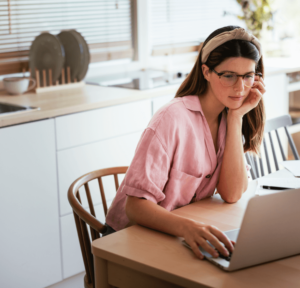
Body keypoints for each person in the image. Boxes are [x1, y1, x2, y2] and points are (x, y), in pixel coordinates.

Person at [104, 25, 266, 260]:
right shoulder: (172, 118)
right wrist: (188, 227)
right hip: (131, 240)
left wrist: (236, 118)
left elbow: (231, 193)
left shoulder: (227, 116)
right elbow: (136, 207)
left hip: (177, 235)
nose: (240, 88)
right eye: (228, 75)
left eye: (248, 76)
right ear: (207, 72)